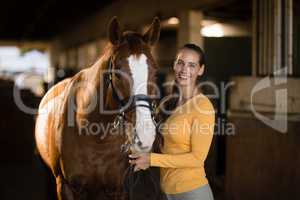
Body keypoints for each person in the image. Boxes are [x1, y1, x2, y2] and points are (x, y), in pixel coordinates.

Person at [129, 43, 215, 200]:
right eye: (180, 63)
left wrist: (151, 159)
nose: (184, 70)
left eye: (192, 65)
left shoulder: (203, 107)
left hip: (192, 192)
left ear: (200, 70)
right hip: (166, 191)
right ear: (174, 65)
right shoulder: (168, 103)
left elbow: (197, 158)